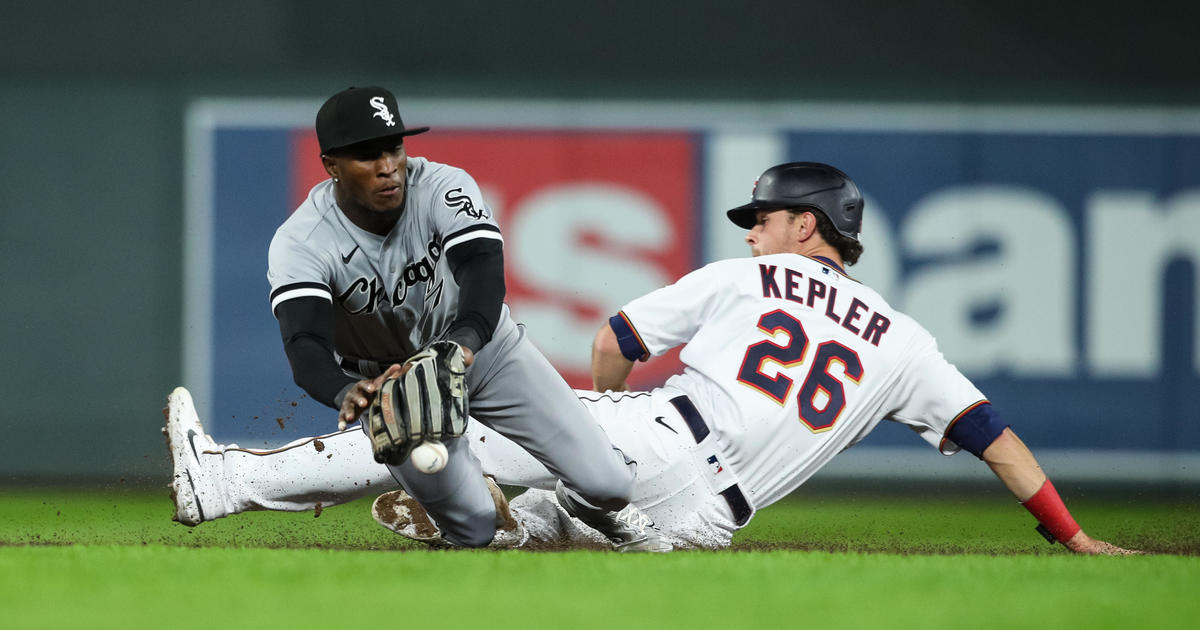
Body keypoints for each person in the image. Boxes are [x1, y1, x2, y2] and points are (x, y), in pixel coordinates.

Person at [166, 161, 1135, 554]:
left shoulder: (746, 280)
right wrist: (1072, 537)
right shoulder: (908, 343)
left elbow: (610, 343)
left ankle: (221, 483)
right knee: (580, 509)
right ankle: (526, 520)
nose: (754, 233)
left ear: (808, 226)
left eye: (766, 220)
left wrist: (601, 418)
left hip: (662, 437)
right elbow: (995, 437)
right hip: (709, 524)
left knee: (430, 419)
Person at [165, 85, 667, 552]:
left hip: (485, 353)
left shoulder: (442, 186)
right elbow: (305, 345)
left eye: (394, 149)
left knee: (610, 484)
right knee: (475, 529)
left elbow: (482, 271)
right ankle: (459, 496)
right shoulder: (302, 241)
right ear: (331, 165)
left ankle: (582, 508)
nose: (388, 166)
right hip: (392, 386)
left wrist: (466, 341)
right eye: (368, 155)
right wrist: (345, 392)